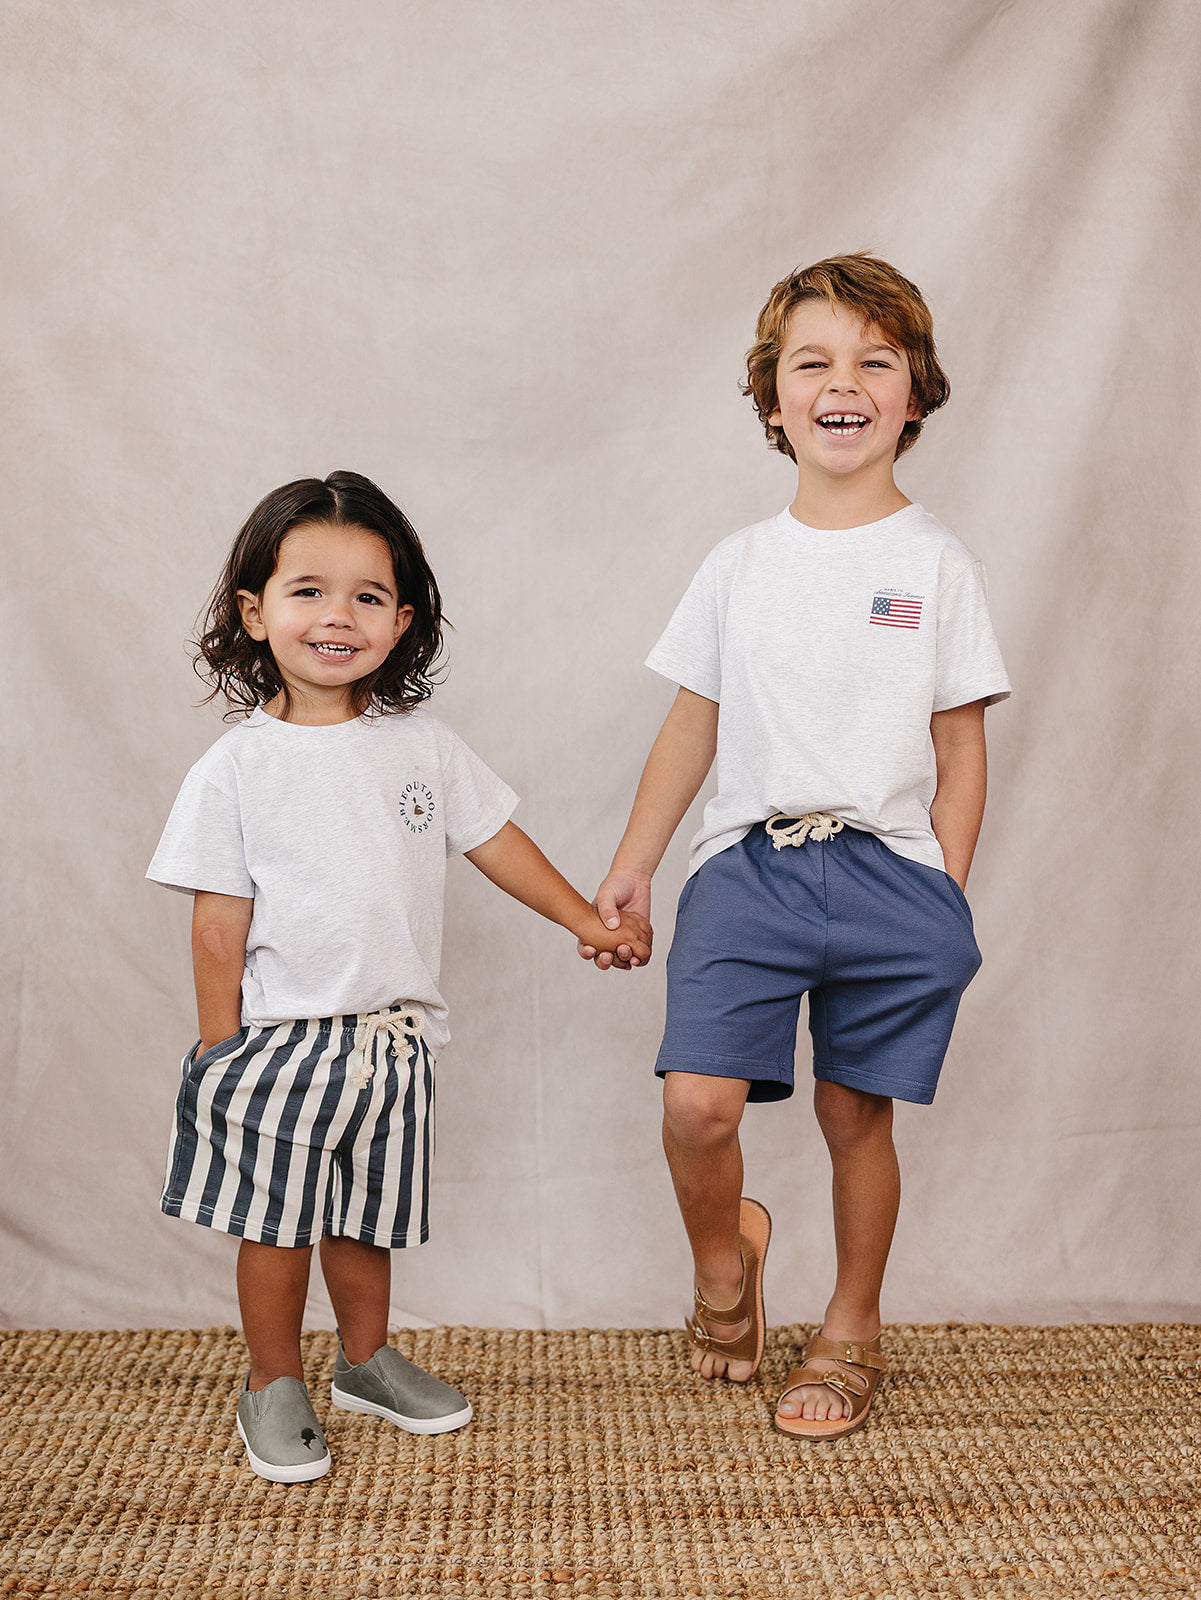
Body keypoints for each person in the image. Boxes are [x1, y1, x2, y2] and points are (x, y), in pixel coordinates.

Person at [580, 254, 1010, 1439]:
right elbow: (692, 723)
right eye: (810, 361)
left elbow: (959, 748)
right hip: (749, 867)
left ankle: (850, 1329)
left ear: (913, 396)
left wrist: (946, 897)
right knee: (698, 1103)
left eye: (875, 361)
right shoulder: (738, 563)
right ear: (772, 401)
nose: (843, 382)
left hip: (891, 875)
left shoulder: (936, 562)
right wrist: (634, 864)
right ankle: (728, 1270)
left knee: (852, 1114)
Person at [148, 470, 650, 1482]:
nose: (338, 615)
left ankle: (365, 1361)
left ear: (403, 619)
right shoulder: (237, 769)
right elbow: (217, 916)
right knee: (275, 1224)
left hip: (395, 1040)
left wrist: (582, 919)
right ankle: (273, 1379)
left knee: (366, 1217)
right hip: (280, 1040)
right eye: (307, 590)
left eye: (367, 596)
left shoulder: (422, 747)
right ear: (255, 612)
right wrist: (219, 1045)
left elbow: (497, 843)